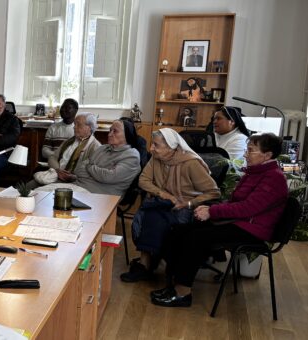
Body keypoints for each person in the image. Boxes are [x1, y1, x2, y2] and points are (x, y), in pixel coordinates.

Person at [152, 133, 288, 307]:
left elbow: (247, 208)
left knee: (197, 238)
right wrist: (206, 208)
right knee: (179, 230)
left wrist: (212, 211)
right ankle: (173, 284)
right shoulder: (255, 172)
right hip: (239, 222)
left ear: (267, 155)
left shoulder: (274, 178)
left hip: (252, 230)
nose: (245, 154)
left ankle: (182, 292)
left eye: (251, 150)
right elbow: (235, 203)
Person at [120, 128, 221, 282]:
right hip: (164, 202)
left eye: (156, 145)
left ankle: (167, 268)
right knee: (149, 215)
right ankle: (145, 265)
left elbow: (213, 192)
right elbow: (143, 180)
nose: (151, 149)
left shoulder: (191, 163)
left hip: (187, 206)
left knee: (163, 222)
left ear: (171, 147)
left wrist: (188, 203)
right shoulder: (156, 158)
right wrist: (164, 194)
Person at [32, 119, 141, 197]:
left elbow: (108, 177)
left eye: (115, 131)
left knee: (46, 198)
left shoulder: (131, 156)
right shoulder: (103, 148)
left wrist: (90, 167)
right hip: (79, 186)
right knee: (38, 193)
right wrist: (96, 170)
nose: (110, 134)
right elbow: (79, 169)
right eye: (110, 130)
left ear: (127, 135)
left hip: (100, 195)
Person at [29, 112, 100, 187]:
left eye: (78, 124)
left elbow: (88, 172)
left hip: (72, 181)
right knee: (28, 186)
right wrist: (57, 170)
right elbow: (52, 157)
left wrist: (70, 176)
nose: (74, 127)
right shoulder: (69, 141)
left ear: (89, 127)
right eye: (74, 124)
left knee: (33, 190)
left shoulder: (95, 147)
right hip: (55, 174)